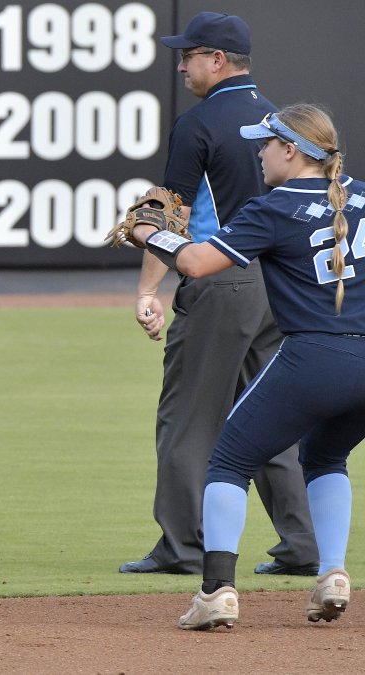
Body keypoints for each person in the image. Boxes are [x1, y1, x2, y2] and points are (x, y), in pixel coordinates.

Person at [129, 103, 361, 629]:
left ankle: (217, 592)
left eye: (266, 144)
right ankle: (332, 574)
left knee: (228, 461)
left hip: (315, 355)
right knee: (325, 455)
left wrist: (147, 233)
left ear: (291, 150)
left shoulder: (273, 207)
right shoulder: (363, 197)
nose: (259, 153)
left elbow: (194, 263)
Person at [119, 12, 318, 576]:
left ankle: (183, 547)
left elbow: (167, 214)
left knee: (189, 418)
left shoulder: (200, 122)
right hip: (284, 286)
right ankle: (302, 546)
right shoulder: (281, 122)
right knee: (272, 415)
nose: (181, 64)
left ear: (218, 61)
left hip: (220, 278)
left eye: (189, 55)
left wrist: (147, 291)